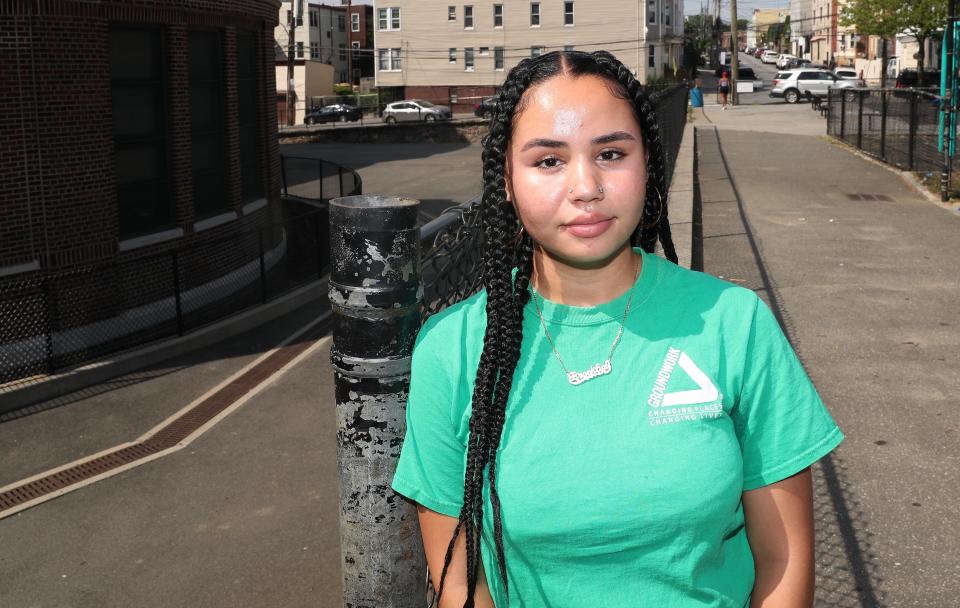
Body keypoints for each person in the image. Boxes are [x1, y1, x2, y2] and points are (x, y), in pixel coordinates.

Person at [391, 50, 844, 608]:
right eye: (548, 161)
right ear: (506, 181)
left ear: (648, 163)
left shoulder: (735, 322)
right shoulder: (453, 350)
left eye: (610, 153)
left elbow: (785, 559)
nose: (585, 187)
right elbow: (461, 583)